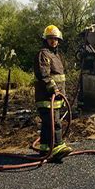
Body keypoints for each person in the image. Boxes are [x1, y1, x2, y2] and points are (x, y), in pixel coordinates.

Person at [34, 25, 72, 160]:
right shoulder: (43, 54)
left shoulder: (55, 55)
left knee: (47, 124)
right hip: (46, 96)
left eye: (55, 39)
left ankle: (45, 150)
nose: (53, 41)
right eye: (50, 39)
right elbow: (43, 74)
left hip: (56, 97)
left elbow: (60, 78)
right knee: (54, 122)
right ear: (46, 40)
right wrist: (53, 88)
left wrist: (62, 94)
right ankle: (57, 147)